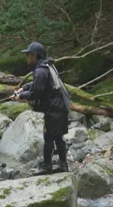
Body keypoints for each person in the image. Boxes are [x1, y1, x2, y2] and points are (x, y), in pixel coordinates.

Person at [14, 41, 71, 175]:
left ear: (34, 56)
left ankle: (47, 167)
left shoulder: (40, 70)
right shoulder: (47, 66)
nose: (27, 58)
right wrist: (25, 87)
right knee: (57, 137)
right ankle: (62, 165)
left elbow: (36, 94)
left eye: (28, 55)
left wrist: (20, 96)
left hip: (54, 109)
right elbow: (37, 84)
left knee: (49, 137)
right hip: (60, 107)